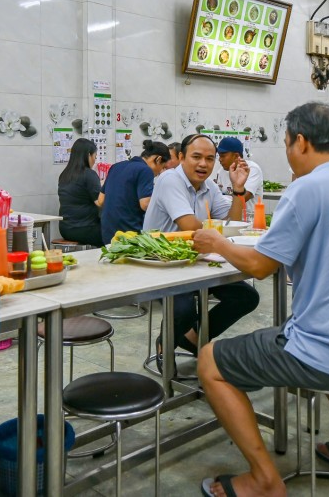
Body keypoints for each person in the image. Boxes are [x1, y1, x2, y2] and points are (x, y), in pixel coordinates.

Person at [192, 103, 329, 497]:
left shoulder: (306, 187)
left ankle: (263, 479)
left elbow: (260, 267)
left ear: (300, 140)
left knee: (210, 360)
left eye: (286, 142)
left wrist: (219, 243)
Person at [143, 133, 259, 363]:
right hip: (162, 263)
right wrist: (218, 237)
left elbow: (230, 225)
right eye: (196, 157)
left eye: (210, 158)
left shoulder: (209, 187)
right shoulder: (170, 180)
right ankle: (165, 347)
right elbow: (192, 228)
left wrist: (238, 190)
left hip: (196, 262)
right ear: (181, 157)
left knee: (246, 296)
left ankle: (191, 338)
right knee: (184, 309)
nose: (203, 164)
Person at [99, 140, 169, 244]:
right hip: (129, 234)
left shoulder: (116, 166)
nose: (160, 172)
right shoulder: (145, 170)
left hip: (107, 233)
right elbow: (145, 204)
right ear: (158, 159)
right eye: (162, 167)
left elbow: (101, 200)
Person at [57, 138, 104, 247]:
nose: (94, 161)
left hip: (65, 229)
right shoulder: (89, 174)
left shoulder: (64, 175)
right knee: (117, 234)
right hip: (85, 229)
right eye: (95, 157)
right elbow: (100, 202)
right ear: (88, 155)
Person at [214, 137, 264, 219]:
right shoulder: (221, 171)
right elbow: (216, 200)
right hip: (228, 219)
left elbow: (243, 198)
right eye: (219, 156)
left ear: (236, 156)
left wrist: (221, 199)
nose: (220, 159)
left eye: (223, 156)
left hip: (249, 222)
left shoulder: (252, 169)